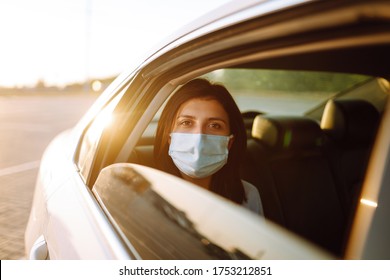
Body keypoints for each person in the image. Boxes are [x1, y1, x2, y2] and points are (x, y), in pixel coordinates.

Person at [154, 78, 263, 215]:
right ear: (169, 137)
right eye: (186, 122)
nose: (199, 136)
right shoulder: (145, 194)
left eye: (215, 125)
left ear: (229, 142)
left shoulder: (247, 196)